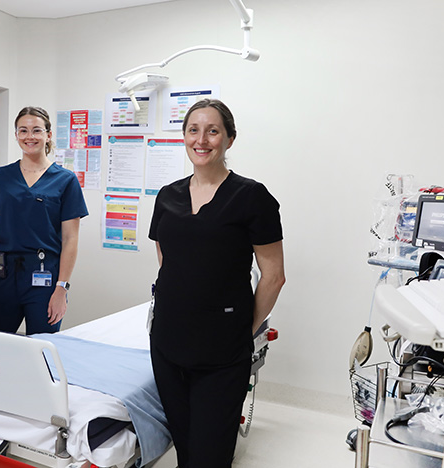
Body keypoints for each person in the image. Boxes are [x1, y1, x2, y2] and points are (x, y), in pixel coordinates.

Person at [148, 99, 285, 467]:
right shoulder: (167, 196)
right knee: (185, 448)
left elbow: (274, 276)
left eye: (213, 130)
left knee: (210, 456)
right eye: (193, 130)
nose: (202, 139)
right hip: (167, 344)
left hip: (222, 353)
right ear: (184, 137)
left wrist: (243, 329)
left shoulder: (251, 197)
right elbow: (168, 258)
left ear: (229, 139)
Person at [0, 106, 88, 334]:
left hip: (45, 278)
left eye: (37, 130)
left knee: (43, 351)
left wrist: (62, 289)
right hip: (2, 277)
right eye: (23, 131)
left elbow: (70, 239)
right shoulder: (0, 177)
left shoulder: (65, 180)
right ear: (16, 135)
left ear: (48, 135)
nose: (30, 137)